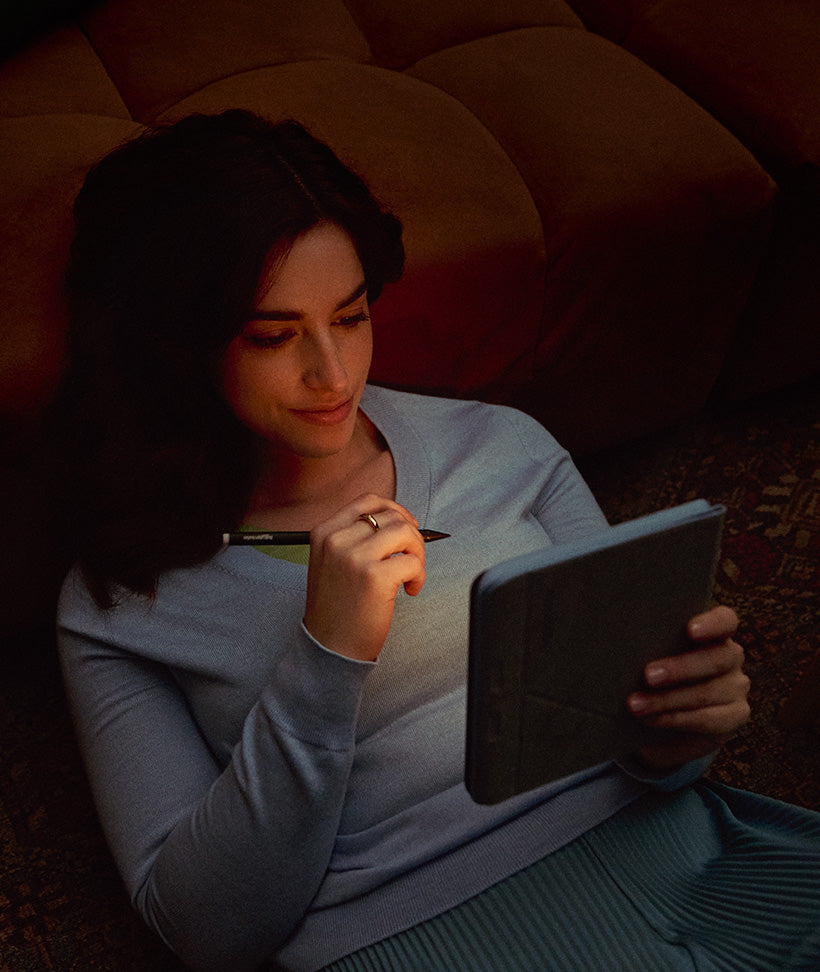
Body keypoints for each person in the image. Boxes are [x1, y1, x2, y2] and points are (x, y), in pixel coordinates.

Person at [56, 110, 820, 972]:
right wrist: (324, 656)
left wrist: (681, 733)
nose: (334, 374)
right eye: (274, 336)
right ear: (175, 348)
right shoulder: (122, 594)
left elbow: (650, 747)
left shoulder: (501, 446)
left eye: (350, 317)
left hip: (692, 864)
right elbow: (208, 931)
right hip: (418, 935)